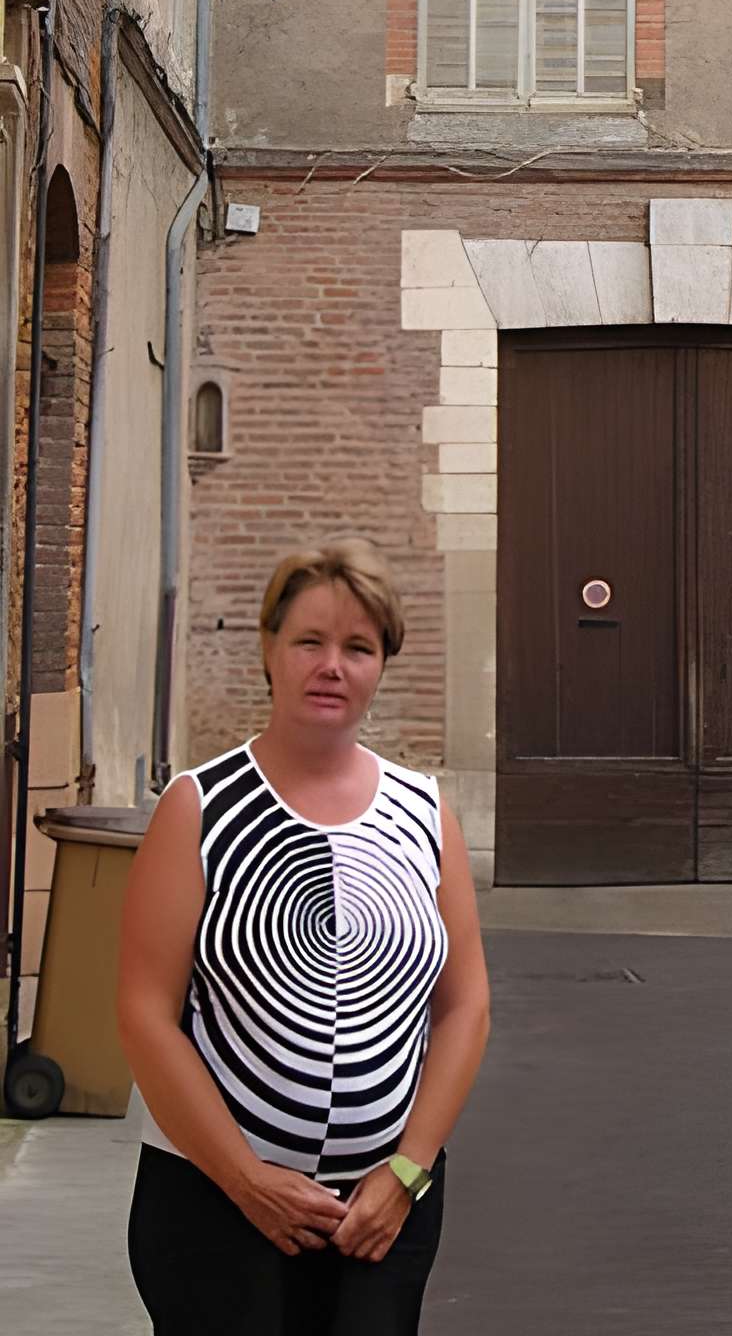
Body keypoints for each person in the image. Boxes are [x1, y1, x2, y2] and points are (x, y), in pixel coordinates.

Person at [118, 539, 490, 1334]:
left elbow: (465, 1010)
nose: (333, 666)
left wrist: (406, 1174)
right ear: (269, 649)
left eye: (358, 647)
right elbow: (144, 1011)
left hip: (380, 1216)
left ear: (382, 663)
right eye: (309, 642)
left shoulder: (427, 816)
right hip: (212, 1207)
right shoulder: (199, 807)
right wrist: (247, 1179)